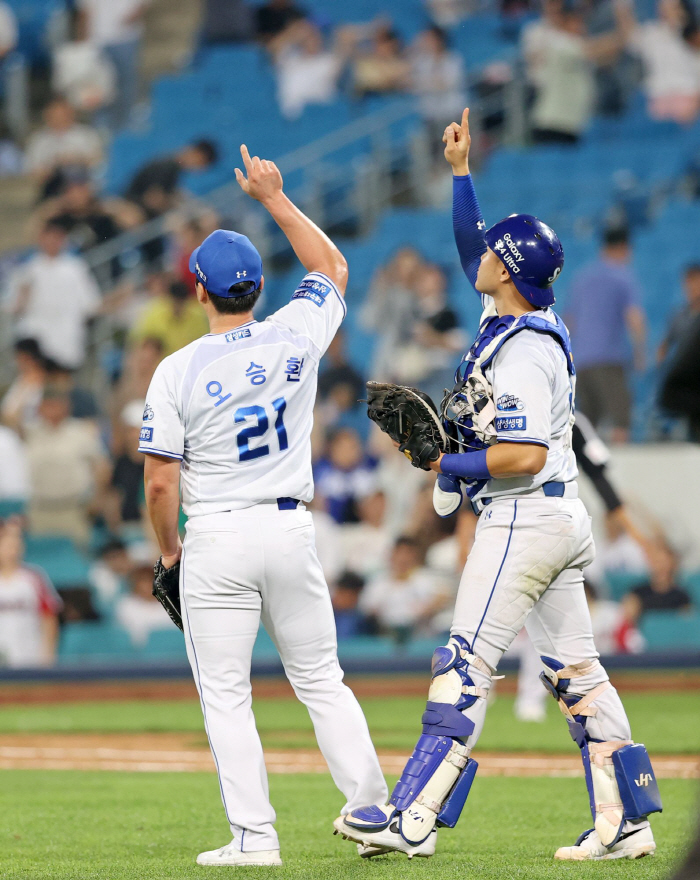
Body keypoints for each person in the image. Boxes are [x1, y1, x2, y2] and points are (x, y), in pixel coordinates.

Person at [334, 108, 661, 861]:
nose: (478, 254)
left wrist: (439, 464)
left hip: (522, 516)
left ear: (507, 273)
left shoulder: (520, 355)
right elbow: (469, 245)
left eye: (493, 253)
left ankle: (410, 817)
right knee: (578, 673)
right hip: (556, 519)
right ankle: (626, 821)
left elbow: (519, 457)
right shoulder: (523, 318)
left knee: (464, 661)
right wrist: (460, 174)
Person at [139, 144, 386, 866]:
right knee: (320, 679)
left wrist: (168, 552)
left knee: (226, 694)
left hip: (216, 534)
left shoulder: (176, 369)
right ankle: (370, 807)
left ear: (198, 291)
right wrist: (275, 199)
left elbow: (160, 483)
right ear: (255, 285)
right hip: (289, 527)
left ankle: (255, 838)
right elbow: (332, 269)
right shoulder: (293, 333)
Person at [565, 227, 647, 443]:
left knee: (587, 423)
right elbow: (634, 317)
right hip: (609, 359)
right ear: (623, 247)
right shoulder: (623, 276)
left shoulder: (581, 278)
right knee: (620, 420)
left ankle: (582, 471)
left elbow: (569, 320)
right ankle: (622, 473)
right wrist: (640, 352)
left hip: (581, 360)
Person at [5, 220, 102, 370]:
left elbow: (91, 305)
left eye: (57, 238)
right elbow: (13, 307)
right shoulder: (26, 269)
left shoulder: (76, 268)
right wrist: (23, 295)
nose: (53, 242)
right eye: (49, 237)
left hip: (65, 340)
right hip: (35, 339)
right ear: (41, 239)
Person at [25, 385, 109, 545]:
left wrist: (97, 499)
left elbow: (102, 466)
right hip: (40, 509)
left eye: (58, 404)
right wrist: (27, 383)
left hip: (73, 509)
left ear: (67, 406)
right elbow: (8, 417)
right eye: (48, 405)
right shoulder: (31, 432)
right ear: (40, 407)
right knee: (42, 559)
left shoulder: (81, 431)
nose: (53, 410)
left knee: (78, 558)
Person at [359, 536, 450, 643]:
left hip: (418, 636)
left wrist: (429, 608)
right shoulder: (379, 581)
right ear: (392, 555)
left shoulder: (425, 578)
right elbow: (365, 608)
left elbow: (445, 596)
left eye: (408, 554)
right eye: (400, 553)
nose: (403, 558)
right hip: (386, 635)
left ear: (415, 557)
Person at [76, 0, 149, 130]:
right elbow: (85, 10)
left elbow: (143, 4)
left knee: (126, 84)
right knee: (99, 87)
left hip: (126, 38)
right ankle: (101, 125)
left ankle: (124, 124)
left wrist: (131, 18)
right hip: (98, 40)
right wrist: (84, 43)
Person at [0, 518, 62, 667]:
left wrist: (48, 655)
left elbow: (49, 618)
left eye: (17, 544)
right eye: (7, 545)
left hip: (29, 657)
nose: (13, 549)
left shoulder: (33, 577)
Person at [25, 98, 103, 200]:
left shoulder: (86, 134)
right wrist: (55, 165)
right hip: (53, 190)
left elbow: (99, 162)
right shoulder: (39, 140)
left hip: (85, 188)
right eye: (55, 114)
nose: (59, 118)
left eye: (63, 114)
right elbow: (32, 171)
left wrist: (76, 160)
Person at [124, 140, 219, 219]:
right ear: (197, 155)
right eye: (202, 163)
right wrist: (181, 208)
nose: (199, 169)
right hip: (130, 211)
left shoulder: (174, 170)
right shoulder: (167, 166)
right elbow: (153, 199)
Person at [129, 278, 210, 356]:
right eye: (175, 302)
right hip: (161, 362)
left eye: (180, 303)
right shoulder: (155, 314)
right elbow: (140, 342)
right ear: (169, 299)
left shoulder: (197, 318)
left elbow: (203, 344)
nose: (177, 307)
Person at [622, 541, 693, 624]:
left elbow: (687, 623)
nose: (660, 566)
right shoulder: (637, 593)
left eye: (664, 561)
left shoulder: (681, 596)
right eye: (657, 561)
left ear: (672, 563)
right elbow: (625, 620)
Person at [657, 263, 700, 363]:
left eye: (696, 282)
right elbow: (664, 345)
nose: (692, 287)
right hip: (685, 373)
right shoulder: (678, 316)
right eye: (688, 282)